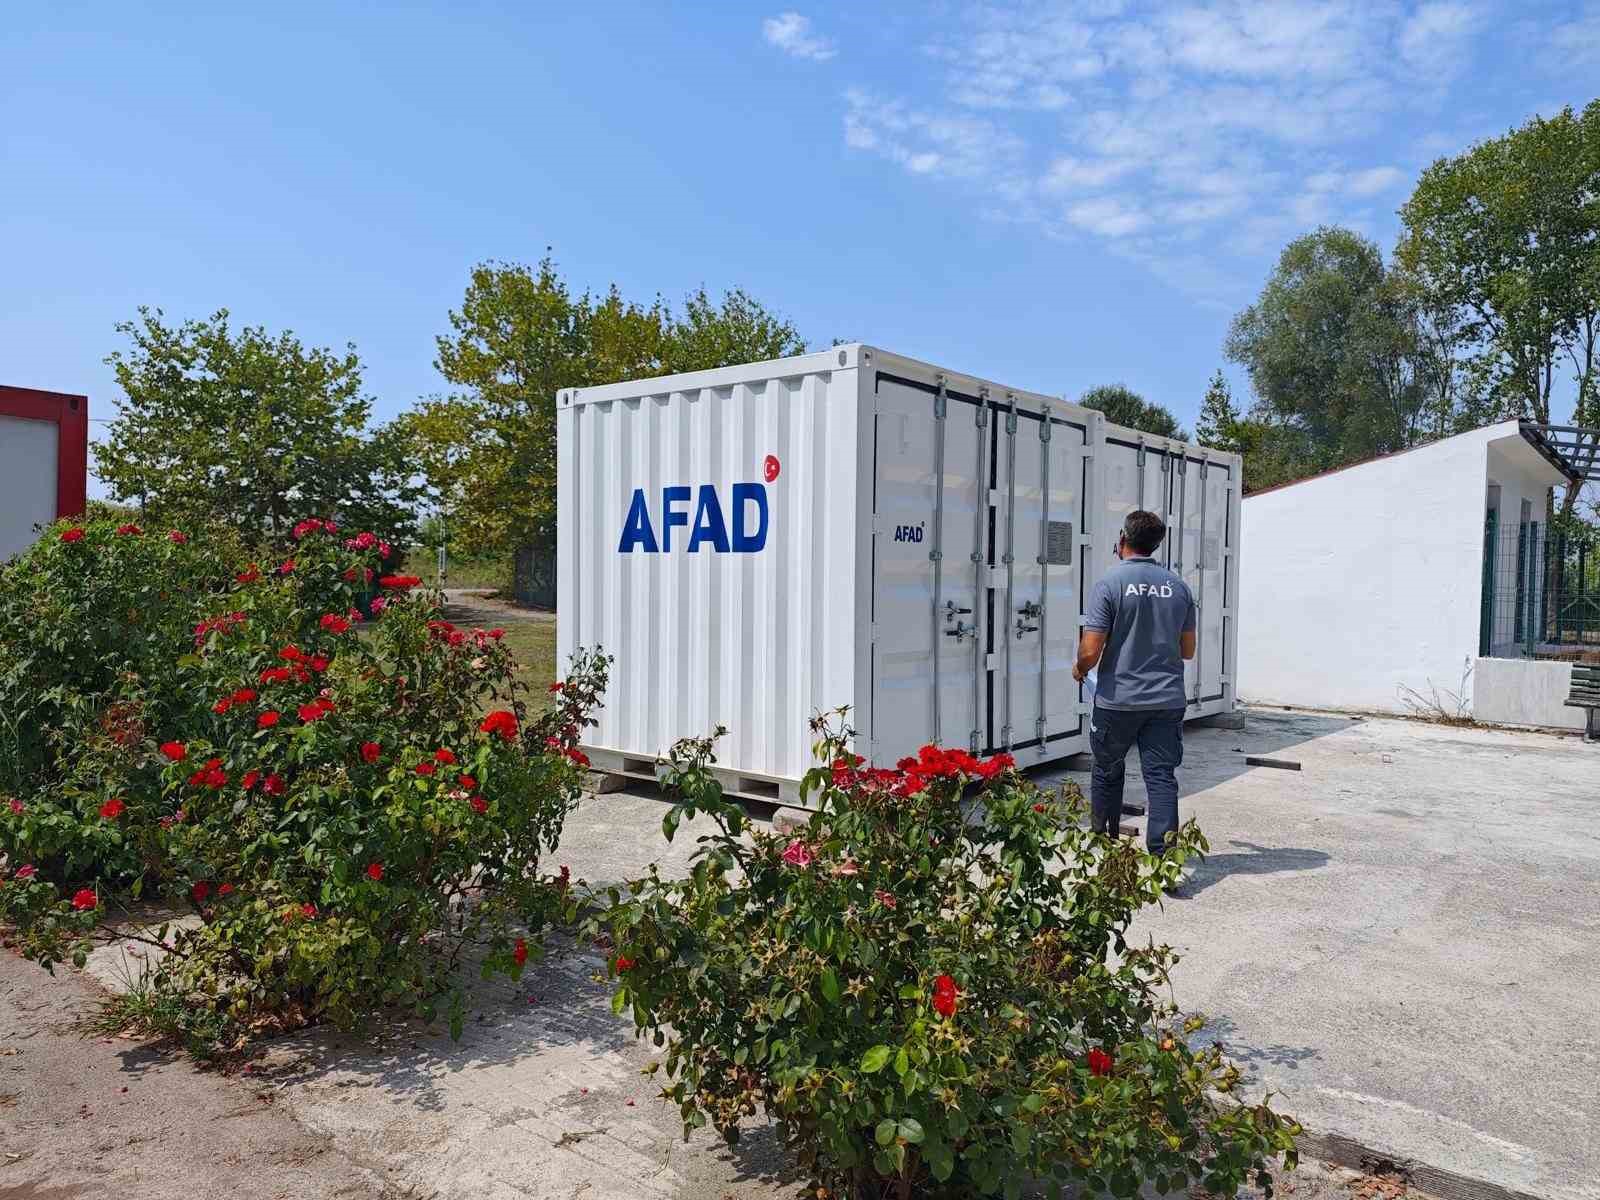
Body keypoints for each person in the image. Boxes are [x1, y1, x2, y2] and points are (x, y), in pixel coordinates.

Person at [1072, 509, 1196, 857]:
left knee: (1108, 770)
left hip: (1118, 700)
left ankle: (1104, 848)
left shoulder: (1109, 585)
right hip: (1167, 700)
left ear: (1121, 540)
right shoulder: (1179, 587)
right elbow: (1187, 651)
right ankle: (1164, 859)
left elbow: (1091, 650)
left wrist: (1080, 667)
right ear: (1157, 544)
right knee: (1160, 778)